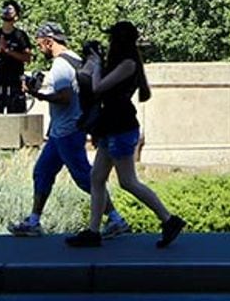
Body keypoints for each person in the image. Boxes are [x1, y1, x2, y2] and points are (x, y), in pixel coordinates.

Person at [67, 20, 183, 249]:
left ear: (119, 41)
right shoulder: (120, 63)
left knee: (128, 181)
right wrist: (93, 63)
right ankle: (93, 231)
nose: (109, 43)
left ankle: (169, 220)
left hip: (121, 128)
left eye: (111, 39)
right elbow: (89, 82)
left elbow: (99, 87)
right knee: (96, 178)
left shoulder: (128, 64)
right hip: (111, 127)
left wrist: (98, 64)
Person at [8, 23, 130, 239]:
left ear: (48, 41)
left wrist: (39, 95)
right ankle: (34, 221)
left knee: (85, 177)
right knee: (42, 172)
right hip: (59, 132)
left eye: (40, 45)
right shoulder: (73, 58)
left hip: (69, 131)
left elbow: (64, 98)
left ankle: (115, 219)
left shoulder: (60, 66)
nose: (40, 49)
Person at [0, 0, 33, 115]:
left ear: (16, 16)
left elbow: (27, 57)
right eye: (5, 10)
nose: (7, 13)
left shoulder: (21, 36)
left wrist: (9, 51)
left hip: (15, 84)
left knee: (16, 117)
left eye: (10, 11)